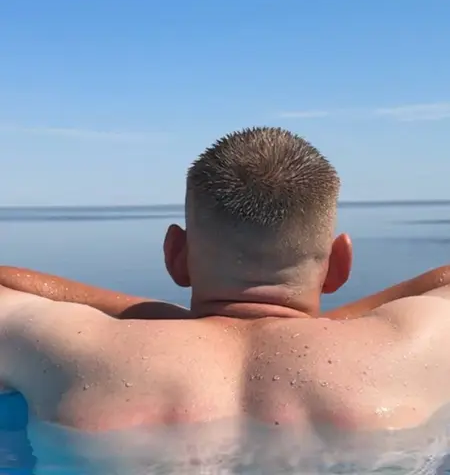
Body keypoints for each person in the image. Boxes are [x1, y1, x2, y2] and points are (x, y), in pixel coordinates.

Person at [1, 127, 450, 435]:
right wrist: (340, 321)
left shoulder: (75, 347)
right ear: (340, 266)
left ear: (175, 255)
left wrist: (148, 314)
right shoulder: (414, 343)